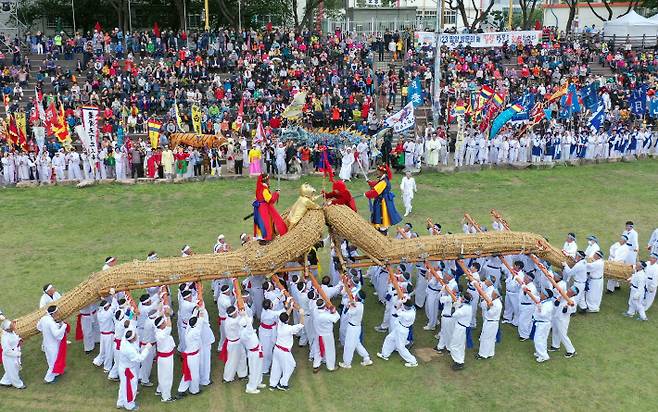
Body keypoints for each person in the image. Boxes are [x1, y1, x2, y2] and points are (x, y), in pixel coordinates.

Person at [269, 307, 305, 391]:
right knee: (291, 365)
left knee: (276, 366)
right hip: (284, 352)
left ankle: (273, 384)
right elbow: (301, 324)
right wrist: (302, 314)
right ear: (287, 320)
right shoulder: (289, 328)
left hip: (277, 349)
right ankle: (282, 383)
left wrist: (291, 307)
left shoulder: (279, 324)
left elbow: (285, 316)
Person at [117, 329, 152, 411]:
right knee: (131, 387)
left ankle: (120, 402)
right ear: (132, 339)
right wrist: (147, 348)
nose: (137, 335)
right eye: (135, 335)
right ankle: (129, 405)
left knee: (123, 386)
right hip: (128, 371)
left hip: (124, 367)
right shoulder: (129, 350)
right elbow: (140, 358)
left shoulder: (125, 339)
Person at [377, 300, 418, 368]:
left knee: (400, 347)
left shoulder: (407, 314)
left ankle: (413, 361)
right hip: (399, 327)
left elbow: (396, 312)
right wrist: (404, 300)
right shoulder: (412, 308)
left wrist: (400, 302)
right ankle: (385, 354)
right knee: (389, 338)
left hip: (402, 330)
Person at [339, 291, 373, 369]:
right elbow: (354, 305)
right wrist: (352, 303)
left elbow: (347, 313)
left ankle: (347, 363)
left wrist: (349, 305)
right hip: (356, 327)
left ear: (357, 297)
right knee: (357, 343)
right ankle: (366, 358)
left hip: (352, 328)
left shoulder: (355, 307)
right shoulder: (360, 305)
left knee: (349, 345)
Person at [36, 305, 69, 383]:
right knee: (54, 362)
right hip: (53, 345)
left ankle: (56, 373)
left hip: (46, 343)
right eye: (57, 312)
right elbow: (57, 334)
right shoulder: (51, 322)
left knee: (51, 360)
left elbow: (38, 327)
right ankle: (48, 379)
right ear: (53, 313)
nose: (58, 314)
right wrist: (64, 326)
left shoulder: (43, 318)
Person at [364, 164, 402, 229]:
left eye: (378, 171)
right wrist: (371, 182)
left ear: (382, 172)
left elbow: (376, 191)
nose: (377, 172)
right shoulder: (384, 178)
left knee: (381, 214)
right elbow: (377, 184)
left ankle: (382, 229)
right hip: (384, 199)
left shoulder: (384, 181)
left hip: (382, 201)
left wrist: (366, 194)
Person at [252, 173, 288, 241]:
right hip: (264, 208)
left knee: (262, 221)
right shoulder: (264, 189)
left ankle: (264, 236)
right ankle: (267, 237)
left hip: (260, 207)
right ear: (266, 181)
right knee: (266, 222)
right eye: (268, 180)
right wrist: (276, 194)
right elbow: (270, 199)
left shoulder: (259, 187)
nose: (269, 181)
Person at [239, 308, 265, 394]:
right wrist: (244, 315)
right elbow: (249, 325)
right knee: (254, 370)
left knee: (259, 368)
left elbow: (249, 324)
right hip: (253, 353)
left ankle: (258, 382)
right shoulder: (246, 332)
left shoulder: (244, 330)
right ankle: (250, 387)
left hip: (257, 351)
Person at [220, 305, 247, 383]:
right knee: (232, 360)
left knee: (242, 357)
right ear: (233, 314)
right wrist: (243, 314)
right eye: (236, 313)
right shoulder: (233, 322)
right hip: (234, 344)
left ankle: (242, 374)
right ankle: (227, 378)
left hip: (238, 342)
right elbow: (244, 322)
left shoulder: (229, 317)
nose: (237, 313)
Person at [177, 313, 203, 396]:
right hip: (193, 356)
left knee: (187, 373)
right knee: (194, 374)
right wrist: (201, 316)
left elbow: (192, 321)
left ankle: (182, 389)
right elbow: (200, 325)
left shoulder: (188, 328)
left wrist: (196, 312)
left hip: (189, 355)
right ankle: (194, 390)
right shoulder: (195, 331)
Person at [312, 299, 340, 373]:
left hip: (318, 333)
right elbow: (336, 318)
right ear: (324, 306)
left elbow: (324, 310)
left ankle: (316, 365)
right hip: (327, 335)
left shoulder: (315, 310)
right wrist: (334, 311)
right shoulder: (326, 316)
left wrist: (327, 309)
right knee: (330, 350)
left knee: (317, 350)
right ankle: (331, 367)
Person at [550, 286, 579, 358]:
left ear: (573, 293)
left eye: (570, 290)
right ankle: (555, 345)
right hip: (557, 316)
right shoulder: (563, 295)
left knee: (563, 335)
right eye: (569, 289)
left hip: (563, 320)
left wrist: (567, 306)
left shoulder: (573, 302)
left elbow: (565, 311)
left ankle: (571, 351)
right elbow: (556, 304)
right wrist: (559, 299)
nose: (568, 290)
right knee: (555, 331)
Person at [154, 315, 176, 403]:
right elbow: (169, 327)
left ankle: (159, 390)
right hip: (166, 358)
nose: (166, 323)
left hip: (163, 357)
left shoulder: (159, 330)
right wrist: (168, 316)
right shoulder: (162, 333)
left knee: (162, 375)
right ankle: (166, 397)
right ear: (161, 325)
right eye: (164, 323)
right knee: (167, 377)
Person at [0, 317, 26, 389]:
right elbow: (6, 351)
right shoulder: (4, 338)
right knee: (13, 371)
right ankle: (18, 384)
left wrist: (19, 340)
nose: (14, 326)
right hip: (9, 357)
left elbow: (15, 337)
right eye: (12, 325)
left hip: (15, 353)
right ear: (8, 328)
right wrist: (17, 354)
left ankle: (5, 381)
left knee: (12, 369)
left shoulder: (12, 332)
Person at [448, 293, 472, 370]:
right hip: (462, 327)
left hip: (460, 328)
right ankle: (460, 359)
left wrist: (454, 306)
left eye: (462, 298)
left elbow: (453, 314)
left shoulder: (463, 309)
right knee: (460, 345)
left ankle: (459, 362)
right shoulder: (468, 306)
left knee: (454, 345)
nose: (460, 299)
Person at [477, 290, 501, 360]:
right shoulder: (493, 301)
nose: (491, 294)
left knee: (486, 338)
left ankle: (483, 354)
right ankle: (490, 353)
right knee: (490, 338)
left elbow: (491, 313)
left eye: (493, 293)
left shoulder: (498, 304)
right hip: (490, 322)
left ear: (496, 295)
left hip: (492, 323)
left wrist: (488, 306)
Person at [92, 299, 115, 372]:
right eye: (108, 306)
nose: (110, 306)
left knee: (103, 350)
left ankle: (98, 361)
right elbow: (114, 306)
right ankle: (107, 367)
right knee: (109, 351)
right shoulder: (108, 314)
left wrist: (104, 300)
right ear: (105, 308)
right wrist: (114, 296)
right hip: (108, 335)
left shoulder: (99, 313)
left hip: (102, 335)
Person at [533, 289, 554, 363]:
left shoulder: (547, 305)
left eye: (542, 293)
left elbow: (542, 314)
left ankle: (543, 356)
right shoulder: (545, 302)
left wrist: (539, 307)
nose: (540, 294)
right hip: (543, 323)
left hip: (543, 324)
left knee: (538, 339)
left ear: (545, 296)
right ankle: (541, 353)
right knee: (543, 339)